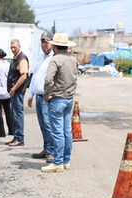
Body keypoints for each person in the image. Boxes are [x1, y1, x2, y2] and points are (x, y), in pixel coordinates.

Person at [41, 33, 78, 173]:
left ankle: (58, 162)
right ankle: (66, 161)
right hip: (69, 98)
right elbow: (75, 79)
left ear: (55, 46)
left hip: (57, 98)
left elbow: (48, 80)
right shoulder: (73, 60)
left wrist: (47, 95)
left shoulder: (55, 59)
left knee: (57, 132)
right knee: (67, 131)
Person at [27, 32, 54, 161]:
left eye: (46, 42)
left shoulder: (53, 58)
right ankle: (46, 148)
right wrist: (30, 94)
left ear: (52, 43)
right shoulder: (40, 58)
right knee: (42, 125)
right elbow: (35, 77)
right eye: (42, 42)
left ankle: (52, 151)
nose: (44, 44)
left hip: (47, 97)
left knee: (49, 125)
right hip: (38, 96)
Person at [6, 39, 29, 147]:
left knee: (18, 115)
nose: (13, 49)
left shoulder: (22, 59)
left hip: (18, 92)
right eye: (11, 47)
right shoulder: (15, 58)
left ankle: (19, 138)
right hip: (14, 92)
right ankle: (16, 137)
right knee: (14, 114)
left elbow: (23, 76)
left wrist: (14, 88)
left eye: (14, 47)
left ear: (19, 46)